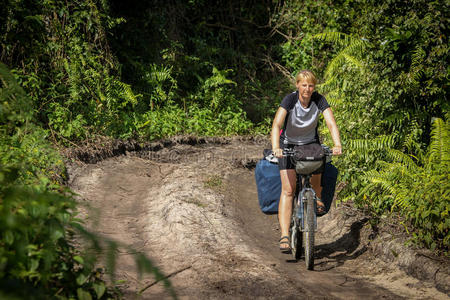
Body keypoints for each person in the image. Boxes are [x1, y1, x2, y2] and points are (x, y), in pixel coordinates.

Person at [271, 70, 342, 252]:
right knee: (288, 190)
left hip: (311, 144)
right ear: (297, 85)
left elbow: (331, 123)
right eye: (304, 85)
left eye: (310, 85)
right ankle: (285, 235)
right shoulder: (290, 100)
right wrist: (276, 148)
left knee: (317, 182)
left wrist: (337, 144)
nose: (307, 89)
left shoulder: (319, 100)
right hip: (288, 145)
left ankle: (315, 201)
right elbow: (277, 125)